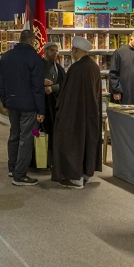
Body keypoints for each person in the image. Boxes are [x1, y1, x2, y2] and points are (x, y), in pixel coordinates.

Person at [52, 36, 102, 189]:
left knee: (71, 142)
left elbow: (69, 94)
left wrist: (61, 113)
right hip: (91, 113)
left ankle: (75, 177)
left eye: (72, 50)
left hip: (75, 114)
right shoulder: (94, 67)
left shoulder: (76, 68)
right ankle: (86, 174)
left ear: (75, 50)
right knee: (88, 141)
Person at [0, 29, 45, 186]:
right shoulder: (35, 58)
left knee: (14, 135)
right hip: (29, 105)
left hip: (12, 103)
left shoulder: (6, 57)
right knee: (27, 138)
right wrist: (41, 110)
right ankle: (20, 175)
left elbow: (2, 82)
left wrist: (5, 101)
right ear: (32, 41)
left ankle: (12, 168)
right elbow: (37, 87)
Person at [39, 41, 66, 168]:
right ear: (45, 51)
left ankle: (51, 160)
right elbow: (29, 83)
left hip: (54, 107)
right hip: (40, 107)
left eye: (56, 51)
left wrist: (53, 88)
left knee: (53, 134)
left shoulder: (59, 69)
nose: (54, 53)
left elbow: (64, 85)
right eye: (52, 51)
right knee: (37, 132)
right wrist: (41, 83)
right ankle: (37, 160)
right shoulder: (37, 66)